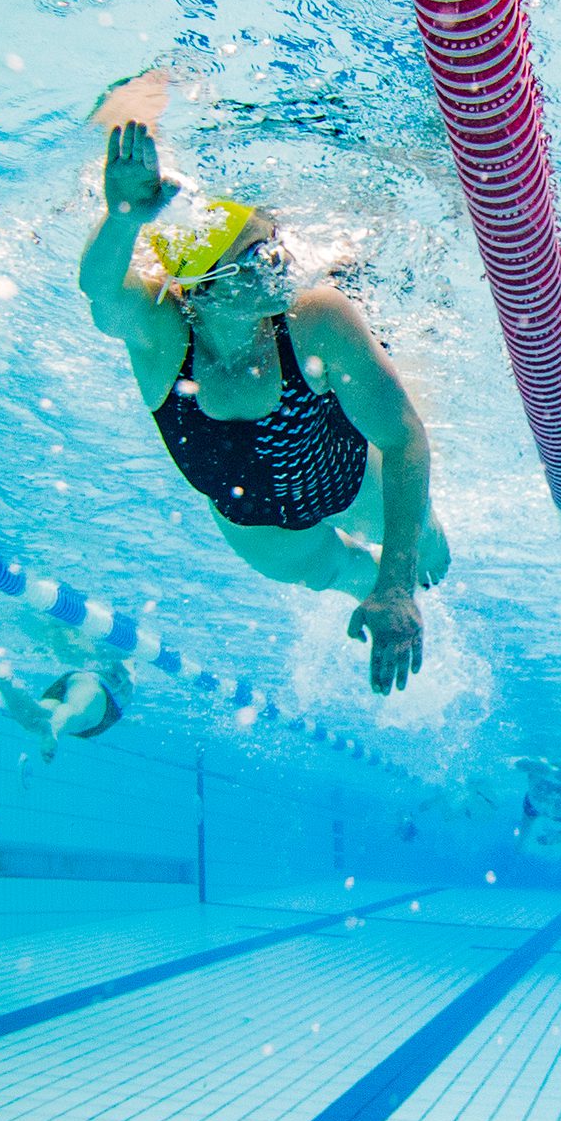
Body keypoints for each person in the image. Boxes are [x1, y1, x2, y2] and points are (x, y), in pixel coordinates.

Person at [79, 120, 449, 694]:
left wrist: (398, 582)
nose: (282, 266)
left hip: (351, 484)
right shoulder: (164, 341)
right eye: (257, 260)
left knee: (430, 557)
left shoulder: (314, 319)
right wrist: (125, 218)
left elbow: (404, 440)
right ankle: (367, 595)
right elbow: (102, 295)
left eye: (275, 245)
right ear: (202, 289)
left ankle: (395, 581)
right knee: (339, 573)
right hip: (260, 532)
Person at [0, 661, 133, 763]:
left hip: (80, 679)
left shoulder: (111, 713)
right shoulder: (103, 716)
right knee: (74, 715)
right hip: (102, 690)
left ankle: (9, 688)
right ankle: (54, 730)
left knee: (36, 718)